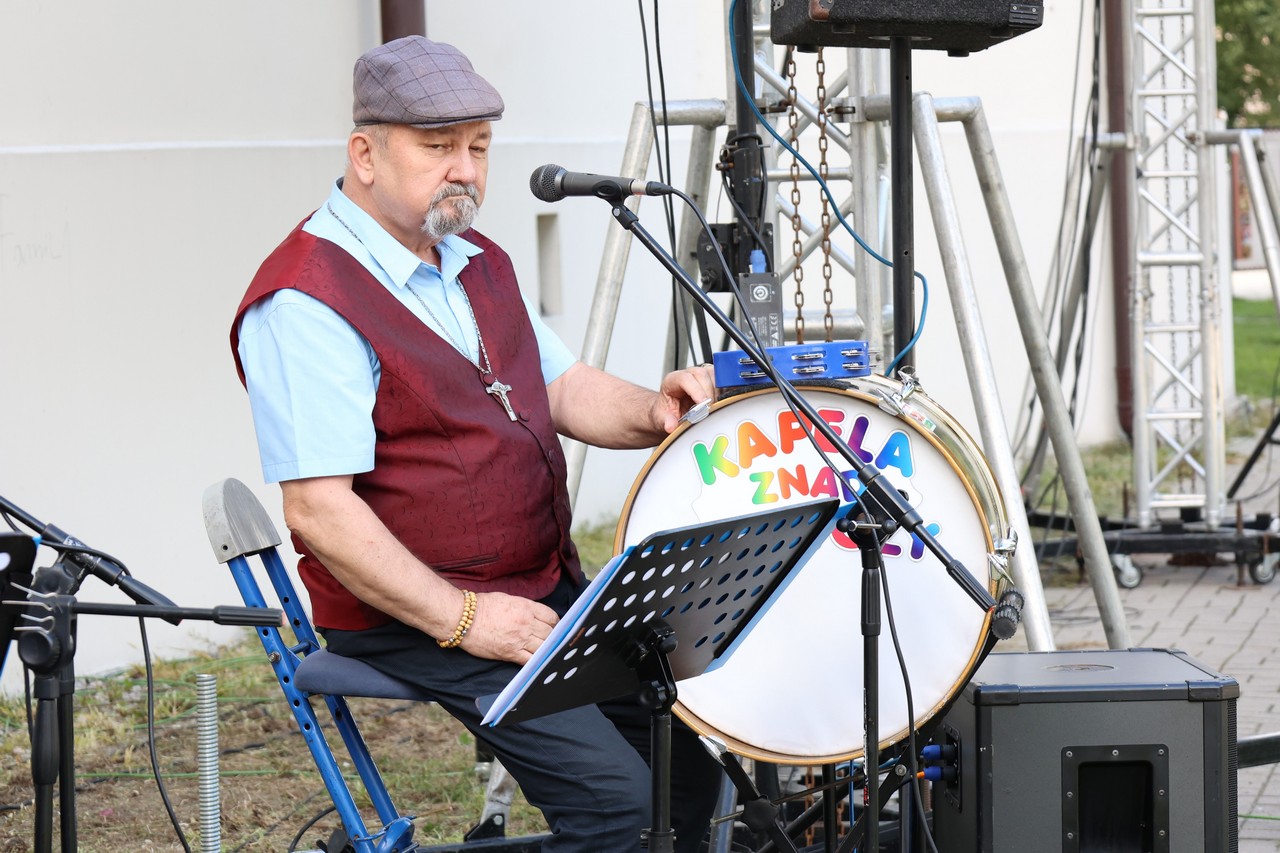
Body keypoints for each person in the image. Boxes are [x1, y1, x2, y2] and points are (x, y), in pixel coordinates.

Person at [230, 35, 723, 853]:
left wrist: (655, 407)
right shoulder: (307, 301)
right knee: (623, 811)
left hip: (535, 588)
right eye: (438, 147)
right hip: (415, 614)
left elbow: (560, 387)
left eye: (479, 146)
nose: (464, 169)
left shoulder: (474, 259)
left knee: (688, 779)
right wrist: (465, 619)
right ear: (365, 155)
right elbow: (318, 511)